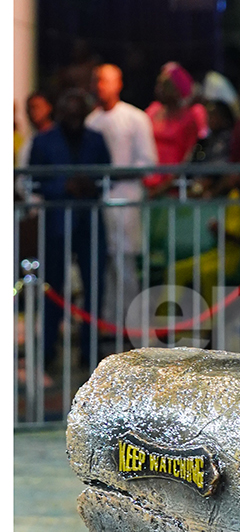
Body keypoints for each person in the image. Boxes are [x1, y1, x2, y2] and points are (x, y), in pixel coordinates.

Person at [29, 88, 111, 368]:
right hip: (57, 223)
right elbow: (33, 180)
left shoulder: (96, 139)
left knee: (94, 287)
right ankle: (48, 347)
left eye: (79, 114)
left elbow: (107, 174)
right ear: (61, 113)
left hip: (90, 222)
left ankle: (90, 350)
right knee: (53, 287)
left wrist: (92, 185)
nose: (74, 119)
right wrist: (62, 186)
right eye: (69, 113)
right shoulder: (43, 141)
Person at [86, 64, 158, 346]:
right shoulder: (91, 121)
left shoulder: (135, 118)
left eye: (104, 80)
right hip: (98, 202)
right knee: (103, 265)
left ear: (118, 83)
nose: (99, 86)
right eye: (96, 80)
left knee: (125, 263)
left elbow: (148, 160)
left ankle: (136, 327)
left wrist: (117, 175)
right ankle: (109, 324)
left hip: (126, 199)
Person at [146, 62, 207, 176]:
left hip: (175, 175)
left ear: (176, 88)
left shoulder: (191, 115)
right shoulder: (152, 111)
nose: (159, 90)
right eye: (158, 85)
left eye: (165, 86)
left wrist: (176, 177)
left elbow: (191, 152)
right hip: (150, 173)